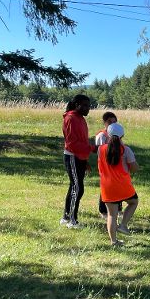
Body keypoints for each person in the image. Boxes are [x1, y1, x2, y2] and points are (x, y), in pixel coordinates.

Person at [97, 123, 139, 247]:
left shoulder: (100, 149)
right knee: (133, 202)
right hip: (123, 185)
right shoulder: (126, 150)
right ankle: (123, 225)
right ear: (122, 135)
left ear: (108, 135)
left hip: (107, 186)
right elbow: (134, 168)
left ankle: (114, 241)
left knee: (111, 214)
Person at [61, 94, 96, 229]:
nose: (88, 108)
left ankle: (66, 217)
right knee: (78, 188)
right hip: (72, 156)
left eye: (89, 106)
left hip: (80, 158)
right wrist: (92, 148)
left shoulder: (80, 118)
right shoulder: (70, 118)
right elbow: (72, 144)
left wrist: (85, 159)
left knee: (74, 187)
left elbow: (82, 141)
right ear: (77, 105)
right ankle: (72, 220)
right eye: (85, 105)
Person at [95, 111, 119, 219]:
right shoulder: (102, 135)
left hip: (115, 164)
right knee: (106, 186)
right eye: (109, 122)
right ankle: (103, 210)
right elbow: (100, 151)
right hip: (105, 165)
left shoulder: (117, 135)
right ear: (104, 123)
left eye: (114, 122)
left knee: (117, 185)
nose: (112, 124)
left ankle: (118, 208)